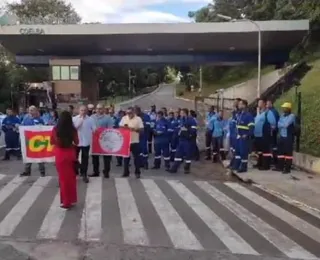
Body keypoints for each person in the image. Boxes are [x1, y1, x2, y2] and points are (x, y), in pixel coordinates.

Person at [51, 111, 78, 209]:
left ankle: (66, 202)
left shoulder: (55, 129)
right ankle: (72, 199)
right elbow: (77, 142)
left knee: (63, 179)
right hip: (70, 154)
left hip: (60, 154)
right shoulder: (73, 129)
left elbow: (52, 141)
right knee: (71, 178)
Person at [168, 108, 197, 174]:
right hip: (181, 140)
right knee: (178, 154)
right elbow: (179, 128)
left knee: (188, 155)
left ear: (185, 113)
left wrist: (188, 134)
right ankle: (174, 168)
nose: (180, 114)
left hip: (187, 140)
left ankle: (187, 169)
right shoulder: (181, 120)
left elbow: (194, 130)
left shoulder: (191, 120)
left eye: (181, 113)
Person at [73, 105, 96, 183]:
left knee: (85, 159)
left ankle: (84, 174)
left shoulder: (90, 119)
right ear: (79, 111)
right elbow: (73, 129)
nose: (83, 112)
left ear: (87, 111)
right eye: (81, 110)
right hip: (76, 142)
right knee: (74, 158)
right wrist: (80, 121)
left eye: (84, 110)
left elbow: (94, 129)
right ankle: (75, 172)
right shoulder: (74, 119)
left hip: (86, 142)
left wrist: (94, 130)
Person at [20, 106, 46, 177]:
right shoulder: (26, 119)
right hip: (29, 141)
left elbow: (43, 129)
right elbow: (22, 128)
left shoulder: (40, 119)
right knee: (28, 156)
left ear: (35, 111)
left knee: (39, 157)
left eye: (32, 110)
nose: (31, 112)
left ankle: (42, 172)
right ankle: (27, 171)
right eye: (29, 110)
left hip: (38, 141)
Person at [90, 104, 114, 178]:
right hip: (95, 140)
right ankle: (96, 171)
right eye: (97, 108)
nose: (98, 110)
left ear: (103, 109)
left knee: (106, 157)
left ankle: (106, 172)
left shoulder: (108, 118)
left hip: (105, 140)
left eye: (100, 108)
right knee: (95, 157)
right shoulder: (92, 117)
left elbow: (110, 129)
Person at [119, 107, 144, 178]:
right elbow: (120, 126)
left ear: (133, 112)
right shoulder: (124, 118)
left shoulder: (138, 119)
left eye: (130, 113)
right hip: (126, 141)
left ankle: (137, 172)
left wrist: (134, 129)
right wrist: (124, 128)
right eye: (127, 113)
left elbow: (142, 130)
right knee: (126, 158)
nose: (128, 114)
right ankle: (126, 172)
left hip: (135, 141)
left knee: (136, 158)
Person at [254, 99, 276, 170]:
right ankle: (260, 163)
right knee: (260, 151)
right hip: (258, 135)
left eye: (260, 103)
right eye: (258, 103)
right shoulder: (259, 113)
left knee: (266, 151)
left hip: (265, 135)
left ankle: (266, 165)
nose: (258, 104)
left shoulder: (268, 113)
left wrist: (270, 132)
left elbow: (273, 123)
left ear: (264, 104)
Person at [233, 100, 254, 173]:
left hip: (244, 137)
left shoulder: (248, 115)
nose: (238, 105)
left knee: (243, 152)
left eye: (240, 104)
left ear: (244, 105)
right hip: (239, 136)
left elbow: (251, 127)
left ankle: (243, 167)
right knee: (237, 152)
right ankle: (236, 165)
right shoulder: (240, 114)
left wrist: (247, 135)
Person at [274, 102, 295, 174]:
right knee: (280, 153)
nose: (283, 109)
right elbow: (278, 124)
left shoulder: (292, 116)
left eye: (285, 108)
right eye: (283, 108)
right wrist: (282, 124)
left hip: (288, 137)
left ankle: (287, 169)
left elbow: (286, 125)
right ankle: (280, 167)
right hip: (281, 136)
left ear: (288, 109)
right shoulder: (282, 115)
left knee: (288, 154)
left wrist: (282, 124)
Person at [266, 100, 280, 165]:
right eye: (266, 104)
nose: (267, 105)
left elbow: (273, 122)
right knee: (272, 145)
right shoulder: (270, 111)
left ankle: (274, 160)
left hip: (273, 131)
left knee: (273, 145)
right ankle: (273, 159)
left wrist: (273, 129)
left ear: (271, 104)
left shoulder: (273, 111)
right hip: (272, 131)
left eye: (268, 104)